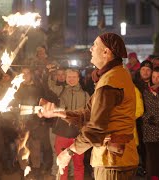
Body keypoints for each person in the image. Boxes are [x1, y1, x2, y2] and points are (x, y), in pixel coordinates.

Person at [38, 32, 138, 179]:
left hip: (113, 162)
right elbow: (88, 114)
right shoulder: (112, 76)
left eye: (95, 45)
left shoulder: (111, 81)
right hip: (114, 160)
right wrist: (57, 112)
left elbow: (96, 128)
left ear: (106, 52)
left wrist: (69, 152)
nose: (91, 49)